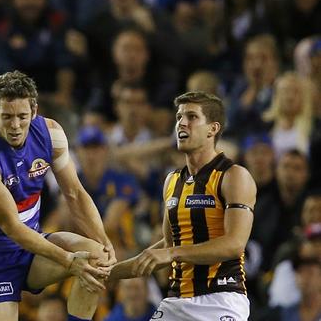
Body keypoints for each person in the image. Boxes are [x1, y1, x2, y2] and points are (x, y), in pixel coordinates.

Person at [0, 70, 116, 320]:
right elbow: (12, 227)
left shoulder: (51, 133)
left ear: (34, 111)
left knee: (96, 257)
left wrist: (104, 240)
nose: (15, 125)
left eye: (22, 116)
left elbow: (75, 193)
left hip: (33, 244)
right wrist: (67, 259)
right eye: (7, 117)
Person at [107, 91, 257, 320]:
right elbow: (167, 245)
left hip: (220, 299)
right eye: (179, 117)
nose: (182, 123)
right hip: (176, 301)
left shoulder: (234, 176)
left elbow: (234, 244)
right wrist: (108, 273)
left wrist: (172, 253)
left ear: (212, 129)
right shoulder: (172, 180)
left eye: (192, 117)